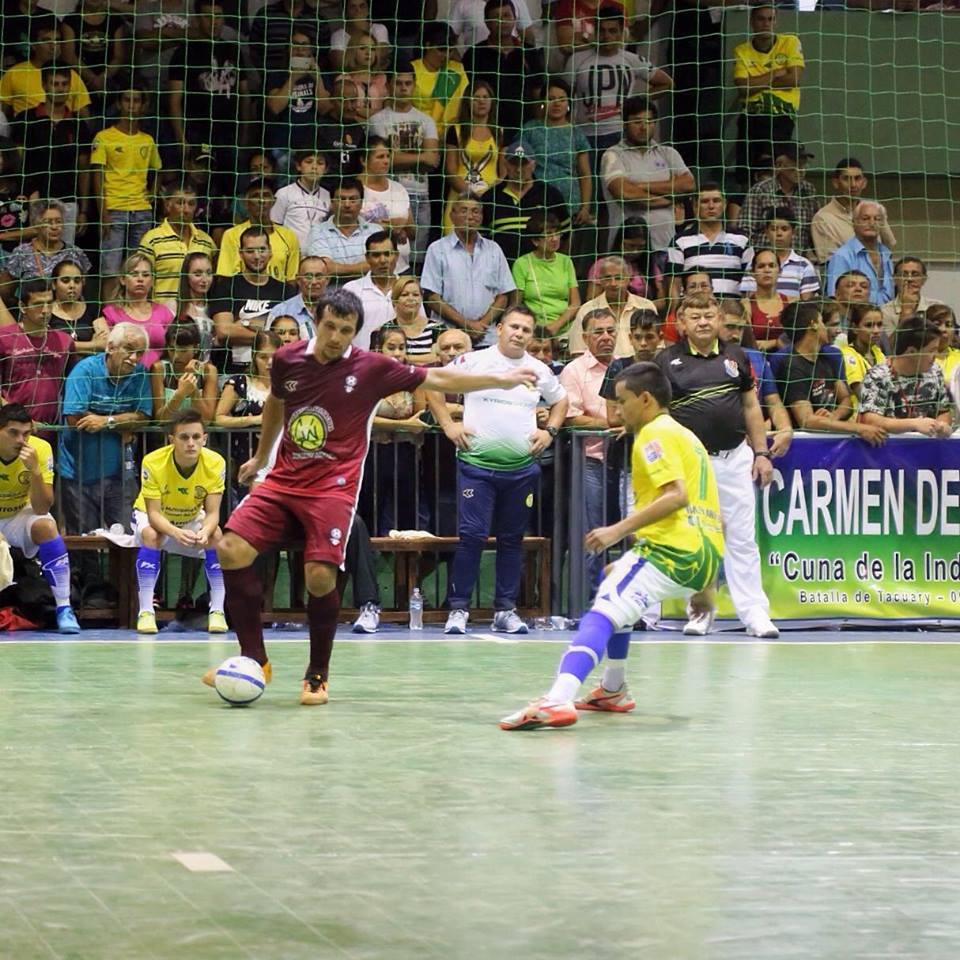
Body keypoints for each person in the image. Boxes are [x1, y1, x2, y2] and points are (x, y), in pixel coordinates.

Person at [207, 289, 542, 705]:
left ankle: (316, 674)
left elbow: (439, 377)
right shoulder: (288, 359)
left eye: (346, 331)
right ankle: (255, 658)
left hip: (333, 488)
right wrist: (260, 457)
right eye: (330, 327)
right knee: (230, 548)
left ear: (355, 332)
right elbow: (277, 402)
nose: (335, 337)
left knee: (319, 576)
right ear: (315, 317)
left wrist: (501, 378)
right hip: (282, 480)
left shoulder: (372, 368)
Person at [499, 361, 723, 731]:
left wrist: (616, 530)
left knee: (602, 613)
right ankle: (613, 688)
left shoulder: (654, 435)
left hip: (670, 552)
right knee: (613, 579)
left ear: (646, 399)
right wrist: (706, 583)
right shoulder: (688, 438)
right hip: (700, 556)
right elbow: (708, 512)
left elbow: (677, 497)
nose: (616, 411)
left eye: (622, 401)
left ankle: (557, 699)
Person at [426, 304, 567, 635]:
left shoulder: (539, 369)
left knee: (512, 540)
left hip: (521, 471)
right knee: (472, 537)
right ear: (500, 328)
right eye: (514, 327)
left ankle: (505, 609)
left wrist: (550, 432)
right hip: (476, 469)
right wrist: (448, 425)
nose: (519, 334)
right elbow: (431, 383)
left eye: (526, 330)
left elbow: (561, 402)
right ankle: (458, 609)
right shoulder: (475, 361)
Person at [655, 292, 779, 639]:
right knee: (698, 541)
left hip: (735, 458)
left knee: (742, 539)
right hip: (690, 465)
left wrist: (762, 452)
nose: (703, 322)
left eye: (709, 315)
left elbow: (751, 407)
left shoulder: (736, 355)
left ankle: (755, 614)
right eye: (695, 317)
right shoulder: (667, 361)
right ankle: (700, 613)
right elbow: (660, 415)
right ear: (681, 322)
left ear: (720, 319)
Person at [131, 407, 227, 633]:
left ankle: (217, 611)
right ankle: (146, 612)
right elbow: (153, 514)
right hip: (154, 516)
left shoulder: (215, 463)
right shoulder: (153, 462)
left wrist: (205, 531)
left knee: (217, 536)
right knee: (151, 535)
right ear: (171, 439)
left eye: (196, 437)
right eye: (184, 437)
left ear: (205, 438)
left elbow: (212, 513)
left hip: (191, 516)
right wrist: (174, 532)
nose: (191, 443)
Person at [60, 322, 152, 534]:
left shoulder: (140, 374)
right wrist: (123, 423)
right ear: (110, 347)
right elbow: (75, 418)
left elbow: (143, 417)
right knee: (85, 541)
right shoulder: (85, 370)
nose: (135, 359)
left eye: (140, 353)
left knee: (131, 537)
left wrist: (105, 421)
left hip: (120, 475)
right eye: (129, 350)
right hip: (78, 473)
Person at [0, 402, 81, 633]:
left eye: (26, 434)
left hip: (19, 513)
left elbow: (42, 506)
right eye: (13, 433)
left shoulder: (40, 449)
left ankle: (64, 608)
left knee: (46, 526)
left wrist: (35, 471)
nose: (21, 441)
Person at [567, 6, 671, 170]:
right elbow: (565, 96)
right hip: (584, 135)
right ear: (595, 30)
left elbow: (667, 83)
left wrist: (639, 101)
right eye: (601, 31)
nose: (606, 36)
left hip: (620, 135)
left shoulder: (632, 59)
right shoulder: (577, 59)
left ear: (622, 31)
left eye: (612, 31)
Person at [560, 308, 618, 589]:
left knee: (631, 531)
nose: (606, 337)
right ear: (585, 337)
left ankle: (628, 600)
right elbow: (571, 418)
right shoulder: (574, 371)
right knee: (594, 532)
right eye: (599, 332)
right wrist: (612, 424)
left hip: (625, 461)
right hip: (590, 462)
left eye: (611, 330)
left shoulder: (624, 366)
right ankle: (593, 600)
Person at [775, 300, 886, 445]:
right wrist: (858, 428)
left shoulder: (829, 357)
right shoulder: (792, 365)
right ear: (813, 324)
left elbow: (846, 401)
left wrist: (834, 416)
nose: (837, 330)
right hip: (808, 445)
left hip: (834, 436)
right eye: (822, 321)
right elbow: (806, 420)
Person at [90, 84, 161, 299]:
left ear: (143, 105)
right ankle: (110, 317)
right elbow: (97, 176)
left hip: (141, 210)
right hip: (114, 209)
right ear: (119, 103)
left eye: (136, 100)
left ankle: (133, 314)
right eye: (127, 100)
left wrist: (153, 193)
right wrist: (102, 212)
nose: (132, 105)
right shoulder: (104, 137)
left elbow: (157, 170)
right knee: (111, 269)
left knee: (138, 270)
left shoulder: (147, 140)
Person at [368, 60, 440, 268]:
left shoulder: (426, 120)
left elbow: (432, 159)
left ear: (414, 84)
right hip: (387, 194)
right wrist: (420, 157)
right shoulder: (377, 120)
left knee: (416, 261)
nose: (404, 88)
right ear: (389, 85)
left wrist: (399, 157)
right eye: (399, 83)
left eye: (408, 83)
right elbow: (385, 159)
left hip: (420, 193)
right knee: (386, 256)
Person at [166, 0, 247, 183]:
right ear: (197, 19)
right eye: (207, 16)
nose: (214, 21)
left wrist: (245, 132)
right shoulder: (184, 52)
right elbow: (174, 100)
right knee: (198, 183)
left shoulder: (233, 50)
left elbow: (245, 95)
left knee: (228, 185)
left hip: (228, 132)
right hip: (197, 131)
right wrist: (181, 138)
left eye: (218, 15)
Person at [600, 96, 693, 255]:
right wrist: (666, 199)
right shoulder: (613, 155)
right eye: (637, 122)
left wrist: (641, 186)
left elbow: (688, 184)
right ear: (625, 124)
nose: (644, 127)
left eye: (649, 121)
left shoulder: (668, 153)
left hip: (666, 247)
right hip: (628, 250)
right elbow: (626, 193)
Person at [9, 64, 90, 245]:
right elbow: (16, 162)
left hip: (68, 202)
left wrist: (83, 210)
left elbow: (84, 169)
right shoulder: (26, 119)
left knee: (65, 256)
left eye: (64, 84)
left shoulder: (78, 124)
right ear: (44, 85)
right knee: (33, 255)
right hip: (33, 201)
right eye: (55, 83)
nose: (60, 89)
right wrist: (22, 193)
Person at [421, 193, 515, 346]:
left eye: (475, 211)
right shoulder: (437, 249)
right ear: (452, 215)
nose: (470, 216)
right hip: (449, 338)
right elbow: (432, 297)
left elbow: (503, 296)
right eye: (464, 210)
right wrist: (467, 324)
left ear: (482, 217)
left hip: (488, 337)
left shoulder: (494, 249)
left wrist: (481, 325)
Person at [731, 4, 804, 184]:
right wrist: (774, 73)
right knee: (745, 175)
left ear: (776, 22)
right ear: (752, 22)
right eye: (761, 19)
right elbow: (743, 88)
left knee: (771, 169)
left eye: (770, 19)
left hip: (781, 116)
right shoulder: (742, 50)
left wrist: (756, 82)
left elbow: (793, 79)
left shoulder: (790, 42)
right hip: (751, 116)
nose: (766, 23)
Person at [521, 78, 592, 251]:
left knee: (565, 254)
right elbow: (515, 161)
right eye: (551, 98)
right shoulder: (530, 129)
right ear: (543, 102)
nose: (557, 104)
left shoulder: (576, 133)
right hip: (538, 201)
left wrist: (585, 206)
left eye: (561, 99)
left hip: (569, 204)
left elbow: (584, 174)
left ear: (568, 103)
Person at [209, 227, 291, 374]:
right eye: (250, 251)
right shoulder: (226, 286)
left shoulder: (286, 291)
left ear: (270, 251)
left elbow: (290, 336)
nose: (257, 256)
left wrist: (243, 326)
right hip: (231, 372)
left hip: (274, 374)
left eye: (262, 249)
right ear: (241, 254)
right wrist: (270, 333)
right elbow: (223, 331)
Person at [459, 0, 545, 138]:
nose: (502, 21)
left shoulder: (528, 53)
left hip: (525, 130)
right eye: (496, 17)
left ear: (514, 19)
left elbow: (538, 93)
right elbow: (467, 95)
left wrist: (539, 126)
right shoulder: (474, 54)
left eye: (506, 15)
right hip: (487, 130)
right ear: (487, 22)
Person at [858, 315, 954, 436]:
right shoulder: (878, 376)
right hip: (887, 447)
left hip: (925, 445)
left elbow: (943, 411)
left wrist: (942, 425)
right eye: (931, 350)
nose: (936, 355)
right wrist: (914, 424)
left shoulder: (934, 371)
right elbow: (870, 420)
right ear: (911, 352)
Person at [482, 139, 569, 265]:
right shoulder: (490, 198)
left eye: (524, 164)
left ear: (534, 165)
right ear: (505, 164)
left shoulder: (551, 195)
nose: (518, 170)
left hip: (541, 273)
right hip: (500, 272)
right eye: (513, 163)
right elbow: (481, 240)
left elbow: (565, 236)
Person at [214, 329, 280, 493]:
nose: (269, 362)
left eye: (274, 356)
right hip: (246, 458)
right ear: (253, 357)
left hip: (280, 461)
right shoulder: (239, 382)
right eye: (263, 357)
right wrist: (255, 420)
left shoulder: (290, 385)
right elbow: (219, 418)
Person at [0, 278, 73, 424]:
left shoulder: (65, 342)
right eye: (38, 304)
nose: (46, 310)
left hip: (51, 430)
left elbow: (70, 386)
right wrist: (22, 420)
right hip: (11, 428)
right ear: (22, 306)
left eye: (49, 303)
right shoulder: (4, 339)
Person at [668, 183, 754, 301]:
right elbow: (674, 285)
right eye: (705, 201)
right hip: (694, 311)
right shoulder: (680, 241)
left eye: (716, 201)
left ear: (724, 205)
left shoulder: (742, 239)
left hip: (732, 311)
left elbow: (750, 282)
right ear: (695, 206)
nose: (711, 206)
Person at [137, 180, 217, 306]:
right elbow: (141, 281)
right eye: (180, 203)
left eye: (191, 204)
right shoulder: (151, 239)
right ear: (168, 205)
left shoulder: (206, 241)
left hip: (197, 315)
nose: (186, 209)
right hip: (162, 315)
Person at [94, 253, 174, 371]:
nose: (140, 279)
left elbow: (173, 348)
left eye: (146, 275)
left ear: (152, 281)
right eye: (134, 274)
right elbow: (104, 351)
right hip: (122, 376)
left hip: (157, 378)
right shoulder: (110, 313)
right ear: (122, 280)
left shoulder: (164, 312)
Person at [735, 144, 818, 254]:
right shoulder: (760, 190)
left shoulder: (809, 191)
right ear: (779, 165)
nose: (801, 170)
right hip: (766, 262)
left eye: (804, 165)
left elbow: (814, 228)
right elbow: (745, 230)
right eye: (796, 165)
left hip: (798, 262)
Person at [0, 17, 91, 117]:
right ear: (33, 45)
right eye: (46, 41)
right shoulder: (14, 73)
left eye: (57, 40)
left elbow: (84, 116)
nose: (53, 47)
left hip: (62, 130)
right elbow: (2, 115)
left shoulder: (70, 74)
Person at [811, 157, 896, 264]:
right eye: (846, 178)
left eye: (857, 178)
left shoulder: (875, 210)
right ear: (836, 183)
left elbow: (889, 248)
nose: (853, 185)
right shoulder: (823, 218)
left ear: (864, 182)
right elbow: (830, 263)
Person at [568, 255, 657, 357]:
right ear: (600, 281)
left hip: (640, 369)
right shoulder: (587, 310)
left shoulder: (646, 306)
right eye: (607, 278)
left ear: (628, 280)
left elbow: (657, 346)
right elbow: (578, 352)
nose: (613, 283)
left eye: (618, 278)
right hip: (601, 371)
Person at [442, 79, 500, 233]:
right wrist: (471, 195)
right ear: (468, 101)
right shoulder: (455, 130)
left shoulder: (499, 132)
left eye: (485, 97)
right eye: (476, 97)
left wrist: (487, 195)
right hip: (460, 198)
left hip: (489, 200)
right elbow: (451, 171)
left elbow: (504, 172)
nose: (481, 102)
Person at [511, 211, 580, 339]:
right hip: (534, 329)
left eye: (557, 233)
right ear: (535, 241)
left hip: (566, 329)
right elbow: (516, 305)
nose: (555, 238)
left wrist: (556, 325)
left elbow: (575, 303)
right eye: (548, 234)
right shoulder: (522, 264)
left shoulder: (566, 261)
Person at [0, 200, 90, 298]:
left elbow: (83, 288)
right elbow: (5, 291)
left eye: (58, 221)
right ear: (36, 225)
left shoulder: (75, 253)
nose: (55, 227)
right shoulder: (22, 253)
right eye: (48, 222)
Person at [217, 180, 300, 283]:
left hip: (278, 297)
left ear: (273, 201)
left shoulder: (289, 236)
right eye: (256, 196)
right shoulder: (231, 235)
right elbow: (224, 277)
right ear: (246, 203)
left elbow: (291, 280)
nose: (262, 200)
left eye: (266, 195)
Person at [357, 136, 414, 272]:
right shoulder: (353, 189)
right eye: (380, 157)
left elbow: (413, 233)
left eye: (388, 156)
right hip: (367, 268)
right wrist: (386, 228)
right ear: (364, 160)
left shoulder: (399, 189)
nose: (386, 161)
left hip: (401, 267)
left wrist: (401, 228)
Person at [305, 177, 379, 281]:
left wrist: (338, 268)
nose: (347, 205)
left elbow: (380, 265)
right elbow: (323, 267)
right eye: (341, 199)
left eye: (353, 199)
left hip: (368, 294)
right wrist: (365, 266)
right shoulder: (317, 232)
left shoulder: (376, 231)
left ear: (361, 202)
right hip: (331, 294)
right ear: (332, 202)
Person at [739, 205, 819, 303]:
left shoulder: (804, 266)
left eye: (784, 229)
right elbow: (750, 301)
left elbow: (806, 305)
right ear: (766, 232)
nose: (779, 233)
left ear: (793, 232)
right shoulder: (755, 263)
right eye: (774, 229)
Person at [585, 217, 667, 308]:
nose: (635, 251)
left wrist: (638, 308)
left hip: (642, 315)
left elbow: (661, 301)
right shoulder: (603, 265)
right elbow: (591, 300)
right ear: (620, 242)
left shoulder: (649, 264)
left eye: (641, 247)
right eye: (631, 246)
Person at [825, 201, 895, 306]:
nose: (872, 223)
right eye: (865, 219)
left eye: (877, 219)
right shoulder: (842, 256)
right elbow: (834, 297)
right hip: (854, 317)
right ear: (854, 222)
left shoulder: (886, 254)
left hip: (887, 318)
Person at [150, 322, 218, 422]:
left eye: (183, 351)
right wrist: (180, 394)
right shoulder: (159, 369)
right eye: (172, 349)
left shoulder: (208, 371)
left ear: (196, 348)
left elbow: (207, 419)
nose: (176, 356)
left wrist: (192, 390)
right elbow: (161, 419)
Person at [411, 22, 469, 139]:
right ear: (427, 45)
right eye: (441, 49)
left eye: (450, 50)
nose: (446, 55)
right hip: (418, 134)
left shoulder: (457, 70)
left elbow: (466, 103)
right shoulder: (412, 70)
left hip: (452, 136)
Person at [342, 230, 398, 348]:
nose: (383, 260)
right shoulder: (351, 290)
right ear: (367, 258)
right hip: (362, 362)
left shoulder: (409, 289)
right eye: (376, 255)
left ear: (396, 256)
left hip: (400, 361)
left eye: (387, 254)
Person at [269, 151, 331, 250]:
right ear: (298, 166)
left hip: (319, 255)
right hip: (290, 253)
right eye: (309, 162)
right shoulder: (284, 193)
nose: (314, 167)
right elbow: (274, 226)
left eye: (320, 163)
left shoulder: (329, 197)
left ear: (326, 169)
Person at [265, 256, 329, 340]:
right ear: (298, 280)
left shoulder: (338, 310)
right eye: (308, 276)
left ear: (327, 280)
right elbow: (268, 347)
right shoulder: (280, 311)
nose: (314, 282)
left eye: (319, 276)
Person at [50, 259, 103, 359]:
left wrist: (70, 346)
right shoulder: (45, 311)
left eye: (77, 281)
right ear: (54, 284)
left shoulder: (93, 308)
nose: (72, 285)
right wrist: (93, 345)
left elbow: (104, 344)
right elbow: (52, 346)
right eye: (65, 281)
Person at [383, 276, 444, 363]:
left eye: (415, 295)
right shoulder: (385, 330)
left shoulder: (438, 328)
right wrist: (428, 358)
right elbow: (379, 360)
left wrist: (404, 358)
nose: (411, 299)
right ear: (394, 300)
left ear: (421, 299)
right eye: (404, 295)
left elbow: (442, 358)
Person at [880, 256, 942, 335]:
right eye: (904, 274)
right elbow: (890, 346)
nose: (909, 279)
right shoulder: (885, 311)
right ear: (895, 279)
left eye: (915, 274)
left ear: (924, 279)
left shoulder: (936, 306)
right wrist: (906, 309)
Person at [839, 302, 885, 407]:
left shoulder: (878, 353)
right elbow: (863, 395)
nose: (876, 330)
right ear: (855, 328)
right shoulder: (848, 355)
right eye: (869, 325)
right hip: (859, 417)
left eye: (879, 324)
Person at [174, 251, 215, 360]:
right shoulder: (173, 307)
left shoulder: (216, 308)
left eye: (209, 273)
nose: (205, 279)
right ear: (186, 276)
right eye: (197, 274)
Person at [745, 247, 787, 350]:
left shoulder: (792, 302)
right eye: (761, 266)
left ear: (780, 271)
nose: (767, 270)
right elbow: (747, 342)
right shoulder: (746, 305)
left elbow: (798, 340)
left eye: (772, 266)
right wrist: (779, 342)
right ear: (753, 273)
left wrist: (773, 343)